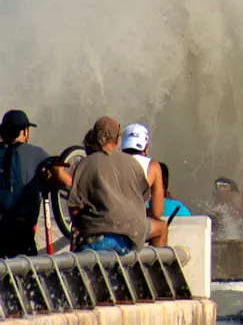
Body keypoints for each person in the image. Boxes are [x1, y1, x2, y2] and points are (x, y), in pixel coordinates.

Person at [70, 117, 167, 253]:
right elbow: (152, 209)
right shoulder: (134, 165)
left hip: (96, 238)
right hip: (130, 235)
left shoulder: (85, 164)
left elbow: (74, 208)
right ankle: (153, 273)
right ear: (117, 140)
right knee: (161, 227)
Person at [0, 110, 70, 257]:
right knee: (24, 274)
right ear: (24, 131)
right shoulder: (35, 153)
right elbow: (67, 182)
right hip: (19, 230)